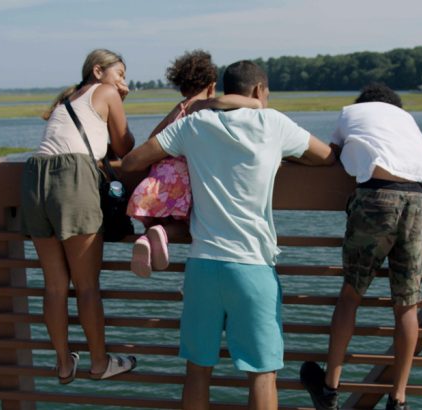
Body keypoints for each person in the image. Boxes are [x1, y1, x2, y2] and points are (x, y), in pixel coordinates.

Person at [122, 60, 336, 409]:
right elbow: (326, 157)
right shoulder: (273, 122)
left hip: (203, 266)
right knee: (263, 374)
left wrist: (196, 110)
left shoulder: (194, 124)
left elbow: (132, 162)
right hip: (253, 267)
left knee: (197, 370)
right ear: (258, 91)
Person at [299, 84, 422, 410]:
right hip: (418, 200)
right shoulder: (407, 120)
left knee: (351, 295)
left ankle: (329, 390)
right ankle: (399, 399)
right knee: (406, 305)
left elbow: (331, 154)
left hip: (377, 196)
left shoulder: (351, 113)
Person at [20, 48, 138, 385]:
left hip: (34, 178)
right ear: (98, 71)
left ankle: (63, 364)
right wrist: (120, 101)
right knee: (87, 285)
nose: (124, 82)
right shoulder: (107, 92)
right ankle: (99, 362)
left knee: (55, 285)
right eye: (121, 74)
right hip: (72, 178)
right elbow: (124, 146)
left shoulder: (68, 98)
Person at [127, 50, 261, 277]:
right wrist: (221, 100)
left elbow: (153, 140)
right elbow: (254, 104)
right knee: (193, 223)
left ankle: (148, 239)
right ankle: (160, 234)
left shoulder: (178, 109)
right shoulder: (205, 107)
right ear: (211, 85)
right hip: (184, 181)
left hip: (161, 178)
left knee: (159, 221)